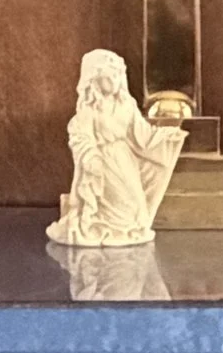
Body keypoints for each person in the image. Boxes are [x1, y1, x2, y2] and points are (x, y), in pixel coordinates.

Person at [47, 49, 188, 246]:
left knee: (136, 204)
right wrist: (90, 157)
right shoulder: (90, 110)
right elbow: (80, 137)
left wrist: (166, 136)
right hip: (103, 163)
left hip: (125, 160)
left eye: (117, 75)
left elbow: (142, 134)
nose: (114, 81)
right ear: (95, 79)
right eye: (108, 77)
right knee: (117, 204)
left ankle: (128, 231)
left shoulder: (127, 105)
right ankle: (103, 229)